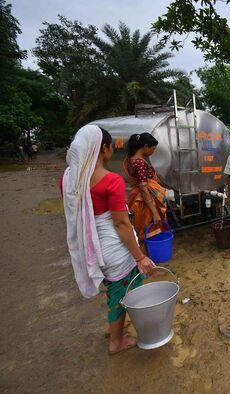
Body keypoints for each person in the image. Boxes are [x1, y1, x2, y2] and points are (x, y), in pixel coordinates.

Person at [61, 125, 156, 355]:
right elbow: (121, 224)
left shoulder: (68, 179)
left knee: (113, 288)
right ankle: (116, 341)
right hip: (114, 248)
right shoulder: (110, 180)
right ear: (103, 149)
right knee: (121, 293)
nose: (112, 149)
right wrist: (139, 256)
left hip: (91, 246)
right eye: (111, 146)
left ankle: (113, 329)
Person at [123, 133, 167, 251]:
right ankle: (148, 264)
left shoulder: (131, 160)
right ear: (145, 146)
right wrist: (154, 212)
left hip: (139, 199)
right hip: (144, 202)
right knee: (148, 233)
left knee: (143, 232)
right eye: (153, 148)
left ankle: (148, 264)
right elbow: (143, 187)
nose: (153, 151)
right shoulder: (140, 163)